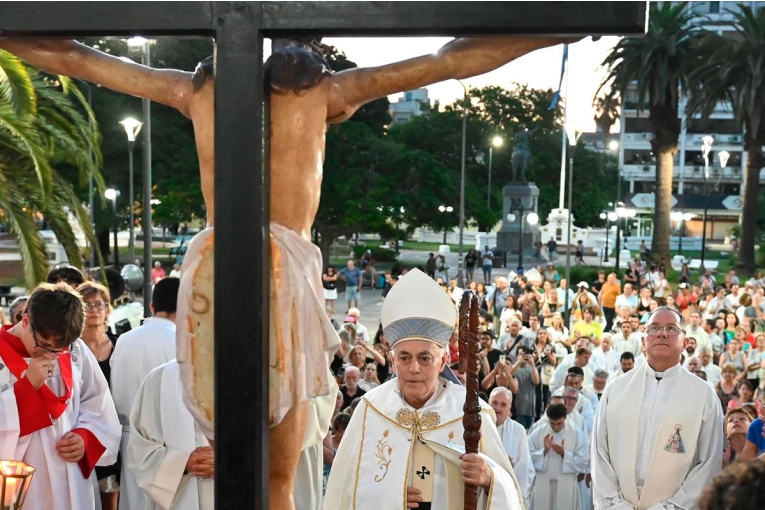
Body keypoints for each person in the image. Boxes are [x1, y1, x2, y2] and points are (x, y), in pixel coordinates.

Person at [2, 34, 577, 508]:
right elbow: (447, 61)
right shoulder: (319, 88)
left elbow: (76, 58)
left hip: (217, 264)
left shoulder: (200, 89)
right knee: (277, 479)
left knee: (227, 460)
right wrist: (553, 30)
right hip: (285, 267)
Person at [323, 269, 523, 509]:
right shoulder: (371, 410)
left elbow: (510, 491)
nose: (414, 369)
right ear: (393, 360)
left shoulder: (471, 412)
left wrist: (490, 479)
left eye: (425, 358)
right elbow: (343, 490)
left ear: (443, 361)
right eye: (405, 358)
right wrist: (390, 498)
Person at [0, 282, 121, 509]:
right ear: (25, 321)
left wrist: (86, 437)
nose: (52, 355)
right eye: (44, 346)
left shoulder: (75, 349)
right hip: (20, 479)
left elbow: (97, 400)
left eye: (59, 349)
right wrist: (27, 387)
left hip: (71, 476)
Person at [592, 307, 724, 509]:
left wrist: (669, 507)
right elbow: (599, 451)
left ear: (685, 343)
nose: (662, 333)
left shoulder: (704, 395)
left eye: (671, 328)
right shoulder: (616, 389)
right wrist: (613, 504)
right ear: (644, 342)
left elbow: (708, 463)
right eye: (654, 328)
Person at [110, 277, 180, 510]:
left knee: (133, 501)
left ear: (152, 306)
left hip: (129, 438)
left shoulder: (124, 340)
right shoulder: (180, 343)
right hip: (169, 441)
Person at [127, 360, 214, 509]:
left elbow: (267, 442)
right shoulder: (159, 379)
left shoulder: (255, 377)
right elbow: (140, 451)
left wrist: (231, 461)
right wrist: (182, 463)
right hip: (179, 497)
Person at [78, 281, 120, 509]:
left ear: (107, 309)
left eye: (99, 304)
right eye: (87, 305)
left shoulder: (120, 344)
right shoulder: (72, 349)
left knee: (112, 495)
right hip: (85, 430)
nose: (94, 310)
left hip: (116, 429)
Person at [528, 403, 589, 510]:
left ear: (565, 418)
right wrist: (544, 451)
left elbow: (583, 461)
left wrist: (563, 454)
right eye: (552, 423)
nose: (556, 427)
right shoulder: (538, 432)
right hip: (543, 484)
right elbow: (527, 458)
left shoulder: (576, 433)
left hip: (566, 484)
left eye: (559, 423)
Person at [490, 387, 535, 504]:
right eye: (495, 403)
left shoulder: (518, 431)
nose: (498, 408)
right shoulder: (476, 426)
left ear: (510, 408)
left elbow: (524, 468)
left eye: (503, 405)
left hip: (508, 497)